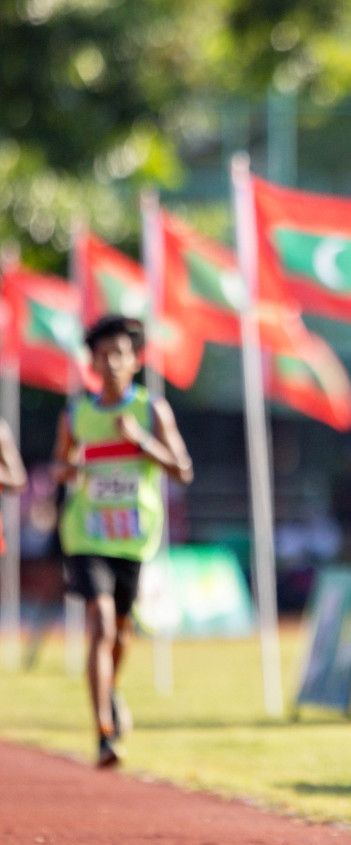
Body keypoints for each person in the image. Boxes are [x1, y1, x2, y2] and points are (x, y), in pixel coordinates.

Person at [52, 315, 193, 768]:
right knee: (101, 621)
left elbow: (183, 470)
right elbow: (57, 467)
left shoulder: (152, 411)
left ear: (135, 361)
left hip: (133, 540)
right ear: (90, 363)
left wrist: (142, 443)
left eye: (120, 355)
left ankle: (109, 688)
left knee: (122, 633)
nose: (111, 363)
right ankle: (104, 734)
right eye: (102, 355)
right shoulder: (76, 415)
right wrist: (68, 469)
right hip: (86, 535)